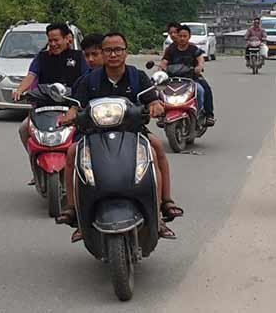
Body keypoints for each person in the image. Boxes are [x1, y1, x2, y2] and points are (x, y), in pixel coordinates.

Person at [58, 32, 183, 242]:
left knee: (156, 148)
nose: (113, 54)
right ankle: (74, 209)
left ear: (126, 51)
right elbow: (76, 105)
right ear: (103, 53)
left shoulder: (138, 76)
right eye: (108, 50)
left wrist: (155, 105)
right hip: (96, 133)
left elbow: (152, 99)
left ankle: (163, 205)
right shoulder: (89, 80)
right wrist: (70, 114)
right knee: (72, 153)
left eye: (118, 50)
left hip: (132, 132)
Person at [12, 23, 90, 186]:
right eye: (50, 41)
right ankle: (36, 167)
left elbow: (87, 80)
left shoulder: (79, 57)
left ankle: (85, 170)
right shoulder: (41, 58)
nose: (53, 44)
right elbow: (31, 76)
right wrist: (20, 90)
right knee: (23, 129)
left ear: (67, 39)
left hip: (72, 109)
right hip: (44, 108)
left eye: (56, 40)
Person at [159, 24, 215, 126]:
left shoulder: (193, 48)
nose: (182, 38)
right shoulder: (171, 49)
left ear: (189, 37)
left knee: (202, 90)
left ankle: (206, 114)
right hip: (174, 79)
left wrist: (199, 67)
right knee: (159, 89)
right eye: (180, 36)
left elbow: (200, 59)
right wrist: (160, 69)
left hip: (192, 78)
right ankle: (162, 114)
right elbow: (164, 61)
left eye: (185, 36)